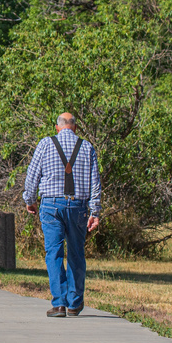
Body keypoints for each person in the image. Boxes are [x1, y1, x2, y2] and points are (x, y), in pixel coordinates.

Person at [23, 113, 101, 317]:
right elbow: (95, 183)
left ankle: (59, 304)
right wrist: (95, 211)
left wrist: (29, 200)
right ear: (75, 128)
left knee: (54, 253)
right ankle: (74, 303)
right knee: (76, 253)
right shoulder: (87, 147)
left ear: (57, 128)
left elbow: (32, 176)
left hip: (51, 206)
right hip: (79, 207)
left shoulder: (45, 144)